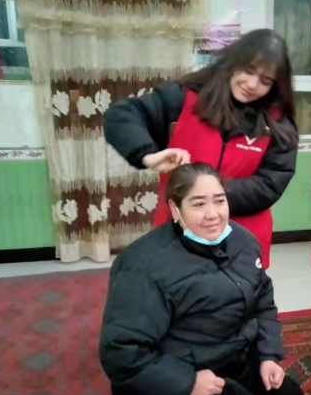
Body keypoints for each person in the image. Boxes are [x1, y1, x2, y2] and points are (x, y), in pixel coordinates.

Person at [99, 163, 306, 395]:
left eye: (219, 201)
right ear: (175, 210)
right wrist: (186, 382)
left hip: (230, 358)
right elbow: (121, 353)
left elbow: (263, 301)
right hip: (161, 385)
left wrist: (267, 355)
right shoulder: (143, 265)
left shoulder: (242, 240)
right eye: (198, 204)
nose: (213, 214)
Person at [104, 29, 298, 269]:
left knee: (237, 292)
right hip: (179, 232)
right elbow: (122, 116)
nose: (252, 84)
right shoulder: (184, 97)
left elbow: (270, 183)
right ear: (232, 62)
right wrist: (147, 155)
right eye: (248, 71)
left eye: (265, 81)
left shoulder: (278, 124)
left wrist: (209, 194)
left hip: (241, 238)